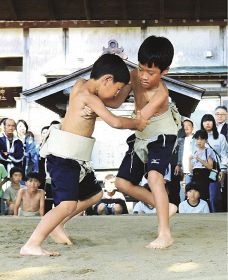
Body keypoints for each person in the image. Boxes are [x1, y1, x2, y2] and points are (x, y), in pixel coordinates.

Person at [20, 53, 147, 256]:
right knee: (67, 204)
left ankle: (57, 225)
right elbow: (114, 120)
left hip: (76, 158)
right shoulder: (88, 97)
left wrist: (129, 84)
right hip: (63, 157)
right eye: (116, 89)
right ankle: (32, 243)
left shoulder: (81, 85)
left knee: (94, 194)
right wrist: (137, 123)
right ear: (106, 79)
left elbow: (112, 103)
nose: (116, 95)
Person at [113, 35, 181, 249]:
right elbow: (116, 102)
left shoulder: (161, 93)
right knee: (121, 183)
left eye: (150, 73)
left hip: (162, 132)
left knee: (154, 176)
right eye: (141, 68)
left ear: (164, 72)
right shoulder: (134, 76)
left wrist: (114, 122)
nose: (143, 76)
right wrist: (94, 103)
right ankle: (163, 206)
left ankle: (164, 233)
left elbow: (140, 120)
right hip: (142, 134)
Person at [201, 114, 228, 212]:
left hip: (214, 171)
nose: (207, 123)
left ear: (213, 122)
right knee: (202, 196)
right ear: (202, 123)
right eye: (205, 121)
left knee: (214, 197)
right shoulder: (198, 137)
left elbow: (224, 154)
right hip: (200, 170)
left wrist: (223, 169)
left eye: (210, 121)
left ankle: (216, 215)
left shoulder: (220, 137)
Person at [189, 129, 214, 202]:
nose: (199, 141)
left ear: (206, 140)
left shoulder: (208, 151)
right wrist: (189, 160)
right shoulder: (195, 152)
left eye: (202, 139)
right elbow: (191, 170)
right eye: (197, 139)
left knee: (203, 196)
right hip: (195, 176)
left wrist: (199, 159)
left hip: (204, 176)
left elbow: (210, 167)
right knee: (194, 197)